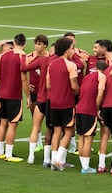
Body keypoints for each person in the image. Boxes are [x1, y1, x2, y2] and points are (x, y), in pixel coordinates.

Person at [0, 33, 31, 162]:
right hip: (14, 95)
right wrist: (28, 96)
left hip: (2, 93)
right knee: (13, 124)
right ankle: (9, 154)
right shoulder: (22, 57)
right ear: (24, 44)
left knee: (3, 122)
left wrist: (2, 86)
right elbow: (24, 78)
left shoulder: (3, 56)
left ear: (14, 43)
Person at [46, 37, 79, 171]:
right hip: (66, 102)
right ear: (66, 50)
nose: (73, 51)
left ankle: (54, 159)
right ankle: (59, 160)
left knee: (56, 130)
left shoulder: (51, 64)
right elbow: (74, 86)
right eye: (71, 48)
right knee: (69, 130)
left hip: (54, 101)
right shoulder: (71, 65)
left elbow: (48, 85)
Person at [76, 60, 107, 174]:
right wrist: (97, 108)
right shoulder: (102, 77)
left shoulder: (87, 77)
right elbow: (100, 94)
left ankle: (83, 164)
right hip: (89, 110)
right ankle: (85, 167)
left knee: (81, 137)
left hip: (80, 108)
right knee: (88, 138)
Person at [26, 35, 49, 153]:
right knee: (35, 119)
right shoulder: (29, 57)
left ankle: (46, 144)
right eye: (36, 43)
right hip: (34, 91)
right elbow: (23, 71)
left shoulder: (49, 57)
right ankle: (38, 143)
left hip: (46, 92)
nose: (37, 46)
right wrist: (25, 86)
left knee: (48, 120)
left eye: (40, 44)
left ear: (45, 45)